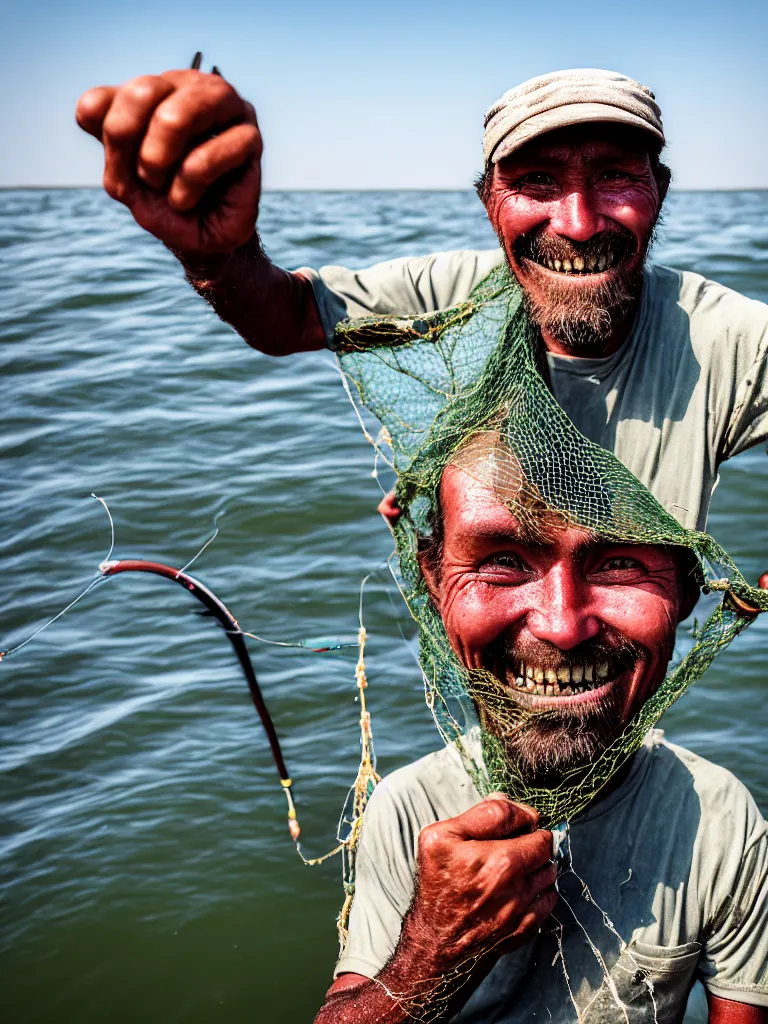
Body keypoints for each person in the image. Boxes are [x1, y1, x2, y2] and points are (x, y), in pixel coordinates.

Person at [75, 67, 767, 533]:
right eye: (536, 181)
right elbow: (284, 318)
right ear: (488, 204)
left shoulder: (728, 340)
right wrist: (215, 252)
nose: (579, 223)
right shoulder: (445, 298)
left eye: (616, 175)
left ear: (661, 194)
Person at [310, 440, 768, 1023]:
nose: (562, 627)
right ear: (433, 581)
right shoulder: (412, 809)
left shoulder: (717, 820)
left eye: (620, 562)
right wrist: (430, 955)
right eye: (503, 561)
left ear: (683, 589)